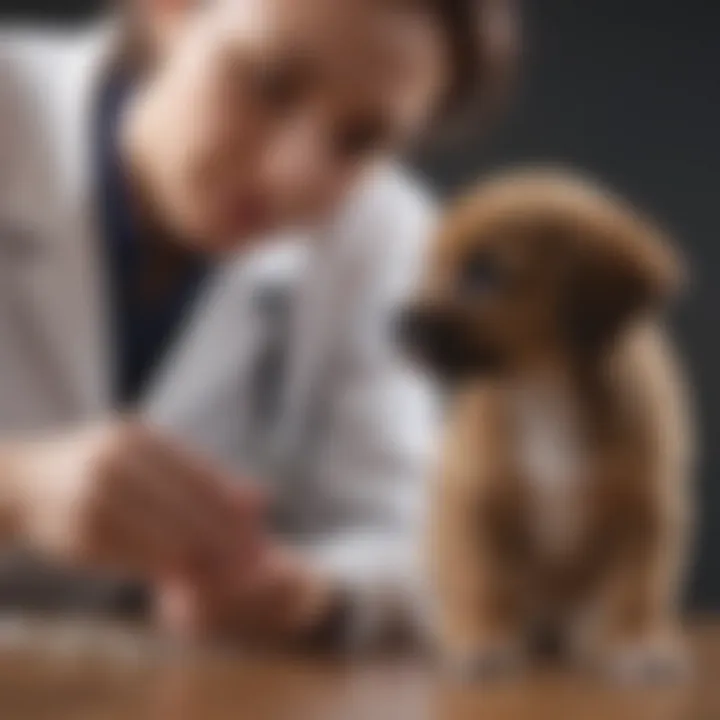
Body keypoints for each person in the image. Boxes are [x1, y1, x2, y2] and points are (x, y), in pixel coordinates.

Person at [0, 0, 517, 650]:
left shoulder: (379, 237)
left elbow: (422, 547)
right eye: (269, 82)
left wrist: (309, 596)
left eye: (358, 140)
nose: (291, 173)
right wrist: (15, 488)